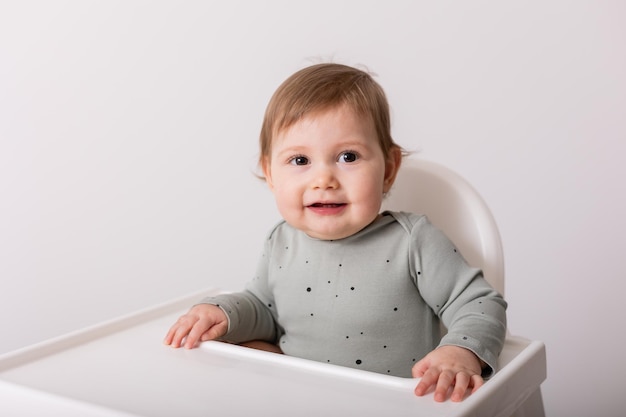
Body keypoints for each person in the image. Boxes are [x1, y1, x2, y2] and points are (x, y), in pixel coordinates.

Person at [164, 63, 507, 402]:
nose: (324, 179)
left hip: (392, 404)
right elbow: (264, 310)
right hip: (300, 398)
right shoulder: (281, 240)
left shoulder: (411, 240)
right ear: (270, 173)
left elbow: (478, 303)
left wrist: (460, 351)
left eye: (348, 156)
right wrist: (224, 313)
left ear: (389, 169)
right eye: (300, 160)